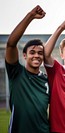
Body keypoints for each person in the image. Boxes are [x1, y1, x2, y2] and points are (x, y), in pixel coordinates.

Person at [5, 5, 49, 133]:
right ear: (24, 56)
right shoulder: (16, 73)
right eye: (32, 52)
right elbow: (10, 44)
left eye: (40, 53)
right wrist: (30, 16)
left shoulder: (47, 79)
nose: (36, 55)